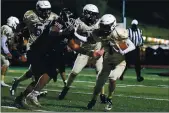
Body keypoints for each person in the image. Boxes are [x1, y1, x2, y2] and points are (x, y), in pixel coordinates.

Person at [74, 14, 135, 110]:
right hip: (107, 61)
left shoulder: (118, 32)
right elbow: (88, 40)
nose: (103, 28)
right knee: (99, 84)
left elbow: (132, 45)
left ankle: (109, 98)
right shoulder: (99, 33)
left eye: (105, 26)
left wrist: (123, 50)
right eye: (102, 25)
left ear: (113, 25)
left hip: (119, 62)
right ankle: (93, 100)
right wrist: (75, 34)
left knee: (112, 78)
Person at [10, 0, 61, 96]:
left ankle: (19, 83)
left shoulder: (54, 17)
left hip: (46, 47)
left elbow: (58, 30)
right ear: (38, 9)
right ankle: (29, 95)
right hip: (34, 47)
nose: (46, 12)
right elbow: (21, 29)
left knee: (32, 72)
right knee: (40, 73)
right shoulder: (30, 15)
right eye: (43, 10)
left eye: (48, 10)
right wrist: (21, 40)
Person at [58, 4, 107, 103]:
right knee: (74, 72)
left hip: (97, 50)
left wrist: (103, 50)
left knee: (100, 73)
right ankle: (66, 88)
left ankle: (102, 94)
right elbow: (71, 34)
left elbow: (106, 39)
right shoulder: (78, 22)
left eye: (95, 14)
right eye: (92, 14)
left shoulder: (100, 23)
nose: (94, 17)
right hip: (85, 51)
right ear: (86, 14)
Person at [1, 16, 20, 87]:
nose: (17, 26)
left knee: (5, 64)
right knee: (6, 63)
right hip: (1, 50)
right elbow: (2, 42)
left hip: (2, 50)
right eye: (16, 24)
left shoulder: (9, 29)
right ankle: (1, 81)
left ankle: (1, 81)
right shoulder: (7, 28)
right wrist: (7, 52)